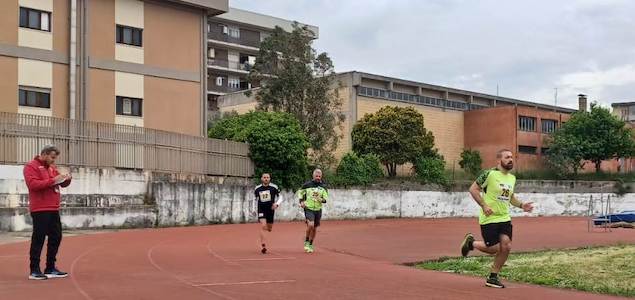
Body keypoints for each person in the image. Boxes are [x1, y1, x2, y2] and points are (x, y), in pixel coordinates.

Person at [460, 149, 533, 288]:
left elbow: (510, 197)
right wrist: (484, 205)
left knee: (506, 246)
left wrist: (522, 205)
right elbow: (473, 189)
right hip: (489, 218)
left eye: (512, 157)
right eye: (507, 157)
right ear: (499, 160)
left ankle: (493, 277)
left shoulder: (512, 178)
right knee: (494, 248)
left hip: (504, 217)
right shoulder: (489, 174)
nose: (510, 159)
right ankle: (471, 243)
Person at [23, 145, 72, 280]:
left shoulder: (51, 168)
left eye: (55, 158)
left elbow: (61, 184)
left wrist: (67, 178)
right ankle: (34, 270)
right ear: (43, 154)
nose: (53, 161)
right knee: (38, 238)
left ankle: (50, 267)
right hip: (40, 209)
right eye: (52, 157)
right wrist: (53, 180)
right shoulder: (30, 166)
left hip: (53, 208)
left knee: (56, 237)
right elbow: (33, 185)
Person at [297, 169, 328, 253]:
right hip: (308, 208)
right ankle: (306, 241)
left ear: (321, 176)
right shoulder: (307, 185)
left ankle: (310, 244)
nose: (318, 178)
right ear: (313, 176)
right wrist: (301, 201)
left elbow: (325, 200)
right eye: (316, 176)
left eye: (319, 176)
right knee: (310, 225)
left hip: (318, 209)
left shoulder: (323, 186)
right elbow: (300, 192)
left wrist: (320, 199)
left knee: (314, 228)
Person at [253, 173, 283, 254]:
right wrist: (253, 209)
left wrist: (276, 204)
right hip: (261, 209)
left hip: (270, 210)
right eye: (264, 177)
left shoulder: (274, 187)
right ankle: (263, 245)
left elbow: (281, 196)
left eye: (267, 177)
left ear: (270, 179)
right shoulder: (257, 188)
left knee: (269, 228)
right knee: (263, 225)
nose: (266, 179)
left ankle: (266, 232)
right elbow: (255, 199)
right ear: (261, 178)